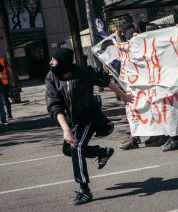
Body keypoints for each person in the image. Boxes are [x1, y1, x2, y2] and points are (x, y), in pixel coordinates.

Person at [45, 48, 131, 205]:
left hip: (89, 116)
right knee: (67, 149)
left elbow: (105, 80)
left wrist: (125, 97)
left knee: (76, 147)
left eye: (54, 59)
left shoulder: (84, 72)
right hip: (72, 121)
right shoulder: (51, 77)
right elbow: (54, 105)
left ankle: (85, 191)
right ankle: (102, 152)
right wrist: (66, 129)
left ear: (63, 62)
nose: (50, 62)